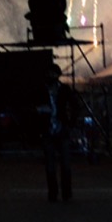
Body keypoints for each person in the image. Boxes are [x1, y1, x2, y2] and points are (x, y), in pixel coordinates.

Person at [39, 64, 75, 202]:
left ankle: (65, 193)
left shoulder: (64, 90)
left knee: (63, 164)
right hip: (49, 130)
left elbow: (74, 106)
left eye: (52, 74)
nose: (51, 76)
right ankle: (54, 193)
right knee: (51, 165)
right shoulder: (42, 90)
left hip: (61, 130)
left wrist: (70, 123)